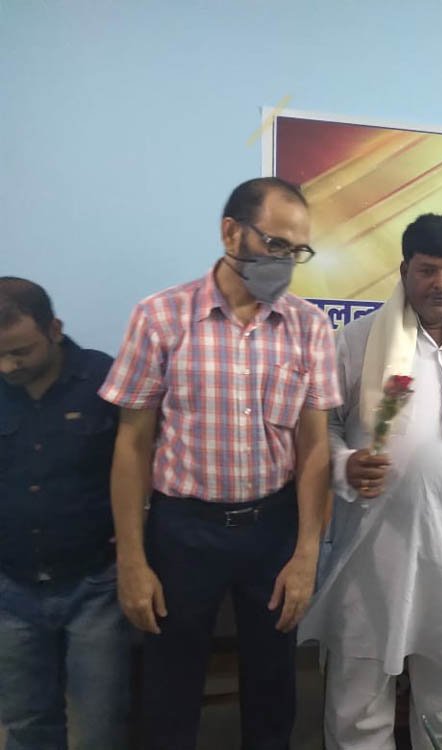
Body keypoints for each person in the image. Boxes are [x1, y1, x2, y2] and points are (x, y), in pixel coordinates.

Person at [99, 177, 339, 750]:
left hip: (273, 528)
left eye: (298, 251)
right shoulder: (160, 317)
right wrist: (131, 559)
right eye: (275, 244)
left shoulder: (309, 325)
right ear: (231, 232)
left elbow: (315, 448)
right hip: (183, 530)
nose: (285, 263)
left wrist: (307, 555)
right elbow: (132, 444)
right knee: (170, 685)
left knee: (274, 685)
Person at [299, 213, 442, 750]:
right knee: (359, 698)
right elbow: (320, 427)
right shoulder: (356, 340)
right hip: (374, 547)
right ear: (403, 271)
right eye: (427, 270)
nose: (441, 284)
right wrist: (344, 463)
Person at [0, 278, 130, 749]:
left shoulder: (104, 380)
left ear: (54, 328)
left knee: (99, 725)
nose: (7, 366)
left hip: (95, 586)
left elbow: (140, 471)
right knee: (25, 722)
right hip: (11, 588)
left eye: (21, 352)